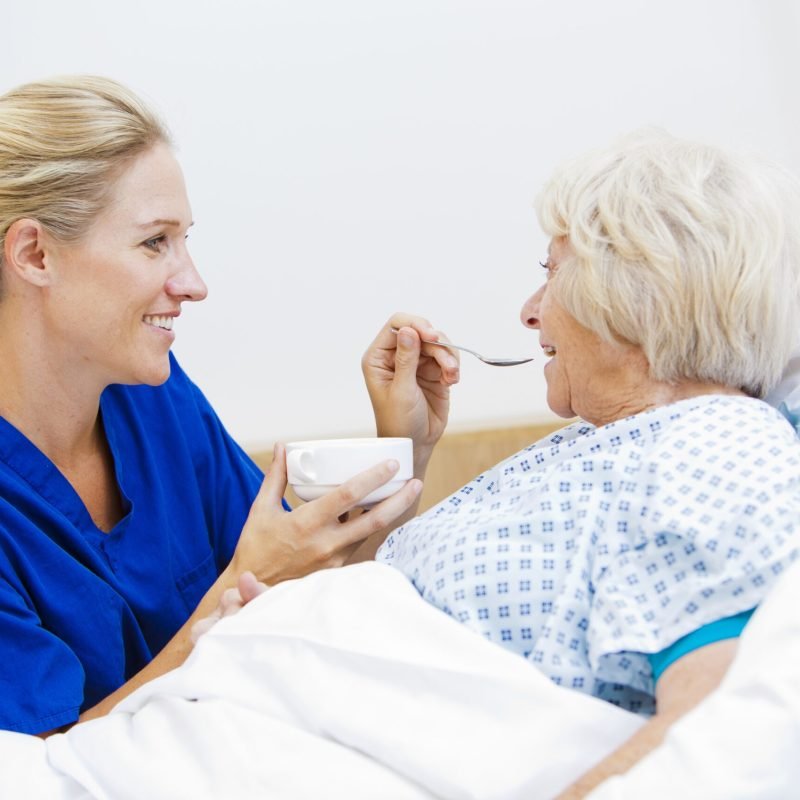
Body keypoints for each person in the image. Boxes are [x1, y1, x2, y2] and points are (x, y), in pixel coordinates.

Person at [0, 74, 460, 736]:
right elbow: (39, 766)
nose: (194, 284)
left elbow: (303, 590)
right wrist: (238, 583)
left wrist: (404, 446)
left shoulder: (156, 401)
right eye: (155, 242)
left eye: (185, 240)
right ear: (35, 253)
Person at [368, 130, 800, 795]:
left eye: (551, 273)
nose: (529, 313)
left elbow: (713, 739)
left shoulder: (717, 444)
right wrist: (405, 449)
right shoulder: (610, 440)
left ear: (637, 292)